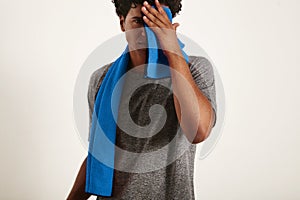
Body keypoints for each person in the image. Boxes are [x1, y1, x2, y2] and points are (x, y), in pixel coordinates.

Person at [67, 0, 217, 199]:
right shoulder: (101, 79)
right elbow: (98, 156)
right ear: (123, 23)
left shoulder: (195, 70)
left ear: (170, 25)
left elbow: (197, 131)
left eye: (154, 22)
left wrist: (172, 50)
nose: (146, 32)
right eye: (138, 21)